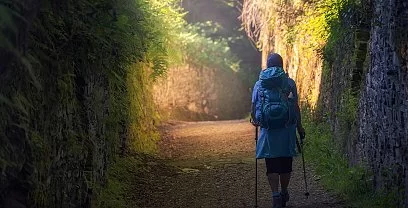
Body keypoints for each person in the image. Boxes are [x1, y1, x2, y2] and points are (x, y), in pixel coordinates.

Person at [251, 53, 305, 208]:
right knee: (285, 164)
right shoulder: (289, 83)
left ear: (267, 66)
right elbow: (295, 106)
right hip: (287, 129)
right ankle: (284, 192)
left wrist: (256, 120)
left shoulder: (259, 84)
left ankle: (275, 195)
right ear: (282, 65)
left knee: (272, 164)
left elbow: (254, 107)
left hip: (268, 130)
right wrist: (299, 127)